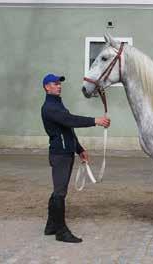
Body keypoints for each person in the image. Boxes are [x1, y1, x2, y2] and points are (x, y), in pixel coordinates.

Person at [41, 73, 110, 243]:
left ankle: (51, 225)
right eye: (55, 83)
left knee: (59, 189)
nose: (59, 86)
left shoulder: (58, 104)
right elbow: (70, 120)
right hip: (60, 155)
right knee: (60, 192)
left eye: (59, 83)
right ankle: (61, 231)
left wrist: (79, 149)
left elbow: (67, 129)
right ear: (46, 87)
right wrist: (96, 120)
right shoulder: (49, 107)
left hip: (66, 152)